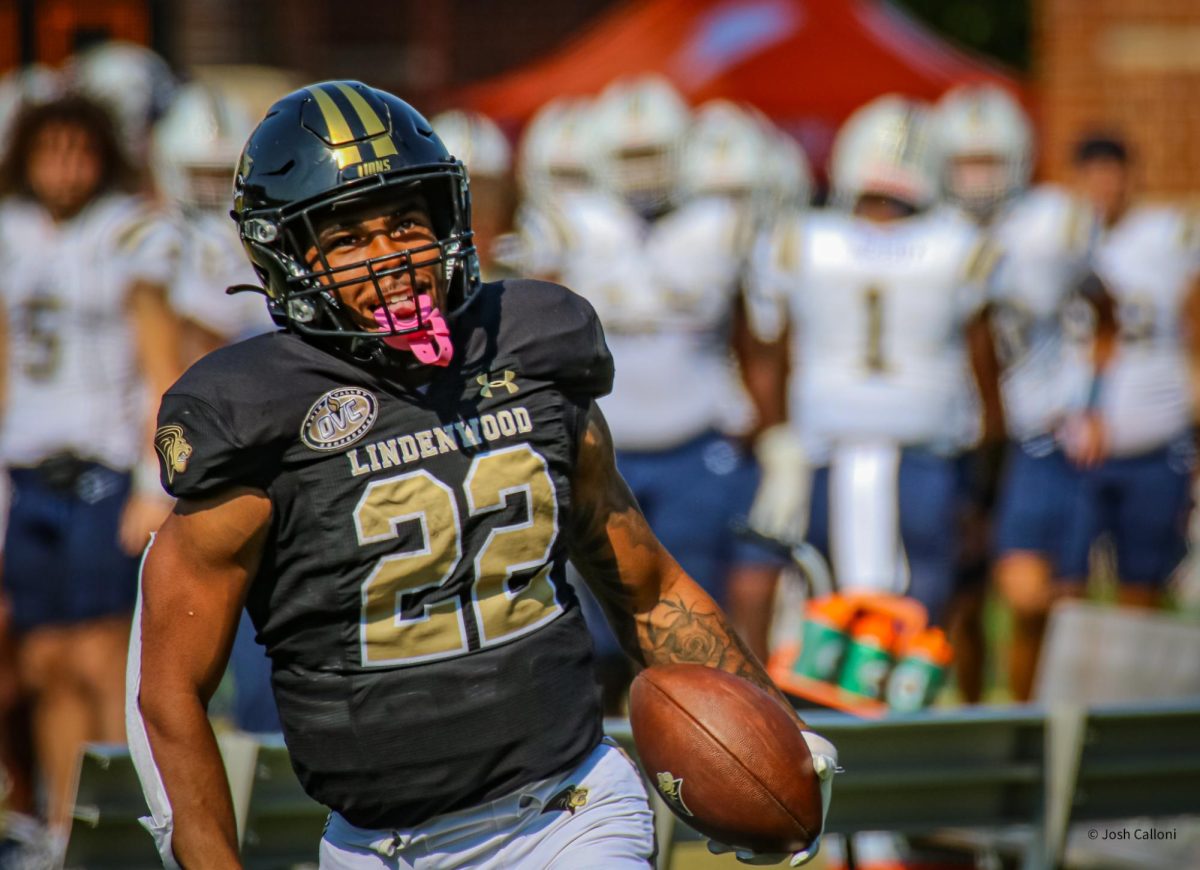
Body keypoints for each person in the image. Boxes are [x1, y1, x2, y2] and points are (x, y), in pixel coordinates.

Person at [127, 81, 838, 869]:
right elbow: (169, 691)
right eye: (351, 239)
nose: (392, 259)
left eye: (405, 223)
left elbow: (647, 587)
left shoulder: (529, 350)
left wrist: (775, 730)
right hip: (377, 848)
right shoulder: (252, 413)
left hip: (571, 813)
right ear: (287, 255)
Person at [747, 95, 1004, 631]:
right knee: (920, 613)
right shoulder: (957, 244)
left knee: (827, 609)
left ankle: (832, 716)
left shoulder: (804, 239)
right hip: (923, 456)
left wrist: (773, 437)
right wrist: (989, 471)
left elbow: (772, 352)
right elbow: (986, 370)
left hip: (827, 449)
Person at [0, 94, 181, 835]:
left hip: (103, 470)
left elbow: (159, 366)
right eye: (52, 151)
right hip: (29, 472)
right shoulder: (11, 233)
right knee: (42, 663)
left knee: (105, 658)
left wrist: (152, 480)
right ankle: (64, 828)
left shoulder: (128, 232)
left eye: (80, 151)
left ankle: (121, 829)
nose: (65, 168)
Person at [934, 84, 1100, 701]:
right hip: (958, 437)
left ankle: (1027, 712)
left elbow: (1103, 304)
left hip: (1031, 431)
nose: (977, 180)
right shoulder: (931, 233)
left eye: (990, 163)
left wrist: (1094, 396)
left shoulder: (1053, 223)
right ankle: (975, 714)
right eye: (965, 164)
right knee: (961, 598)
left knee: (1029, 596)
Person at [1068, 135, 1199, 608]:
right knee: (1066, 587)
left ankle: (1137, 687)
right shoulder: (1062, 239)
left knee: (1141, 587)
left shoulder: (1167, 236)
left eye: (1112, 169)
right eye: (1093, 171)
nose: (1104, 182)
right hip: (1075, 444)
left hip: (1155, 436)